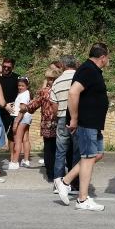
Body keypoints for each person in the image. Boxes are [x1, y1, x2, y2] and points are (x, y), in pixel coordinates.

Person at [54, 44, 109, 211]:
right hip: (86, 122)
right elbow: (73, 92)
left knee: (96, 154)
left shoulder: (92, 70)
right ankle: (82, 199)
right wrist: (75, 118)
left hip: (93, 123)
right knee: (87, 157)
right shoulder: (88, 70)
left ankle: (64, 181)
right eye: (108, 57)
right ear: (103, 57)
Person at [22, 65, 61, 183]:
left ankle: (51, 175)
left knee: (49, 150)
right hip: (60, 123)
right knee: (60, 150)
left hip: (47, 125)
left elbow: (33, 105)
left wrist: (24, 108)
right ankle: (59, 175)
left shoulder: (44, 92)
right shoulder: (63, 90)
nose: (48, 81)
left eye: (49, 78)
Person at [50, 54, 79, 189]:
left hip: (61, 117)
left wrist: (59, 115)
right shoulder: (79, 77)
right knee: (77, 152)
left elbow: (54, 105)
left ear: (63, 65)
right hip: (76, 117)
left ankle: (58, 183)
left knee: (60, 151)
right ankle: (73, 183)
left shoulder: (57, 81)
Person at [8, 76, 32, 169]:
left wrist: (16, 122)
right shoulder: (26, 93)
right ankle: (26, 160)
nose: (20, 87)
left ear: (27, 86)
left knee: (17, 140)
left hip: (21, 118)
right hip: (27, 118)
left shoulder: (24, 94)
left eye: (22, 85)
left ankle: (14, 162)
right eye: (19, 85)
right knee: (25, 139)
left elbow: (22, 109)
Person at [0, 57, 19, 155]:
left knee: (11, 135)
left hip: (11, 111)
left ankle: (12, 157)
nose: (6, 69)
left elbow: (23, 93)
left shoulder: (17, 78)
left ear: (13, 67)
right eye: (4, 66)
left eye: (9, 67)